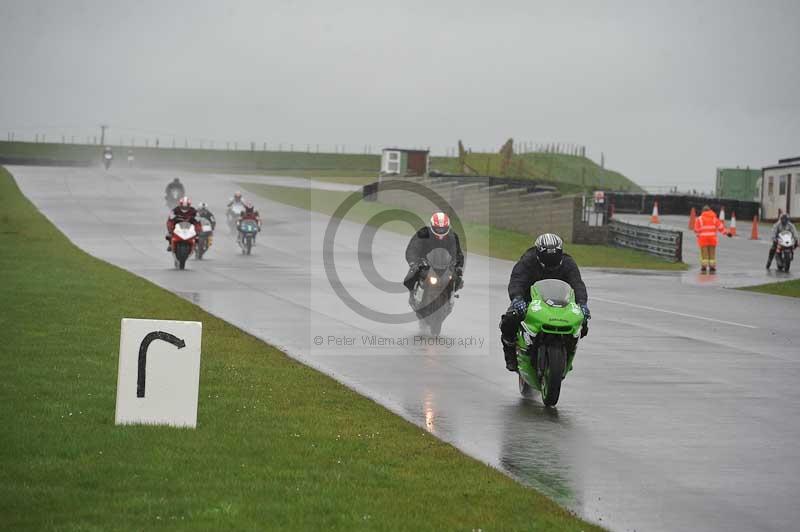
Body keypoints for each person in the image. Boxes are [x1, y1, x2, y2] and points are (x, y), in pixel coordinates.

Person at [499, 233, 589, 372]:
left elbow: (577, 284)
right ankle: (510, 354)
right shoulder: (528, 260)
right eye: (547, 259)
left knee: (583, 322)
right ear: (538, 254)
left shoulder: (568, 263)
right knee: (510, 319)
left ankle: (568, 350)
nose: (551, 264)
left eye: (554, 259)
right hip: (530, 300)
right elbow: (517, 280)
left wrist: (582, 303)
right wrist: (517, 298)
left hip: (561, 302)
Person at [403, 212, 464, 291]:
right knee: (410, 278)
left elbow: (457, 253)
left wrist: (457, 265)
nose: (440, 231)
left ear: (448, 227)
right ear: (432, 225)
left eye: (443, 228)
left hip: (445, 266)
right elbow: (412, 248)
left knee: (457, 281)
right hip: (424, 264)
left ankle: (450, 295)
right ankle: (413, 292)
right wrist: (414, 262)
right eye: (438, 228)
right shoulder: (423, 233)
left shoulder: (452, 236)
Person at [693, 205, 729, 273]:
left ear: (703, 211)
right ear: (710, 210)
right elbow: (721, 227)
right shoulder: (714, 218)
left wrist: (698, 235)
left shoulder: (699, 219)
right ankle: (712, 267)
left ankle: (704, 267)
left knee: (704, 254)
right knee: (712, 254)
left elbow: (696, 230)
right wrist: (727, 233)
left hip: (703, 239)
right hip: (712, 239)